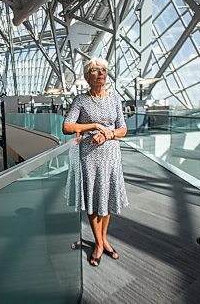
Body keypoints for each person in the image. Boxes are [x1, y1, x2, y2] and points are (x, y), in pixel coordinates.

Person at [62, 57, 128, 267]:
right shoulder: (81, 100)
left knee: (106, 198)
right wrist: (94, 126)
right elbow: (67, 127)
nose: (101, 73)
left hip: (110, 156)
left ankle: (102, 241)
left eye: (104, 70)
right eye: (95, 70)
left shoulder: (115, 99)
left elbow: (123, 130)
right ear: (87, 76)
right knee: (92, 198)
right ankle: (100, 244)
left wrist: (107, 134)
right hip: (89, 157)